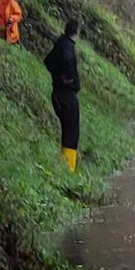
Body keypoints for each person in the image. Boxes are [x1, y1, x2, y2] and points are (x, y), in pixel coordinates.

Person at [44, 20, 81, 172]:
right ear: (77, 33)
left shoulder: (60, 43)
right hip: (67, 95)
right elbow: (66, 61)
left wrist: (57, 77)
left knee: (67, 131)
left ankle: (66, 166)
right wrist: (67, 77)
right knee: (72, 133)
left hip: (57, 93)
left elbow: (48, 61)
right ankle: (68, 169)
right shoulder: (67, 47)